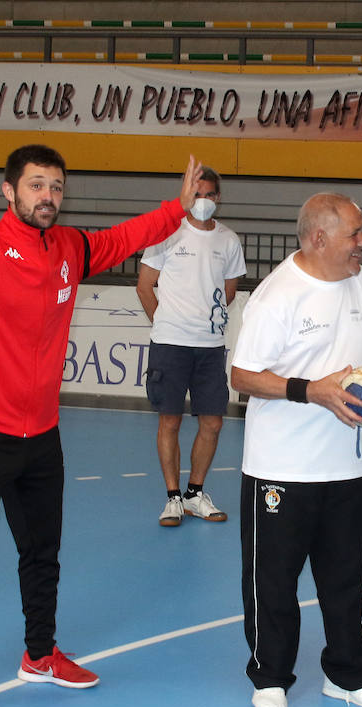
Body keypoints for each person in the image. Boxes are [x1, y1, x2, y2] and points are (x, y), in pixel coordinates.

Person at [0, 97, 202, 707]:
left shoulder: (71, 249)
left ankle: (39, 653)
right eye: (36, 185)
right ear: (9, 191)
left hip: (42, 433)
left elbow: (126, 238)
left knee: (42, 552)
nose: (48, 195)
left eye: (56, 187)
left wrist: (178, 207)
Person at [230, 193, 362, 707]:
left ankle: (349, 675)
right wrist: (314, 390)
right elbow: (241, 375)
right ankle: (270, 678)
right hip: (280, 468)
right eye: (355, 233)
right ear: (319, 238)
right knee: (273, 581)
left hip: (348, 466)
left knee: (344, 577)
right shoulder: (277, 295)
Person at [135, 166, 245, 527]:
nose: (203, 201)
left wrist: (205, 318)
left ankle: (195, 494)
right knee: (170, 420)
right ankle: (172, 498)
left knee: (212, 422)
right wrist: (164, 323)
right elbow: (144, 285)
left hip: (210, 346)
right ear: (187, 195)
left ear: (218, 198)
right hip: (170, 344)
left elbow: (229, 291)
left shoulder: (228, 240)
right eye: (197, 194)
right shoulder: (165, 234)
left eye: (209, 194)